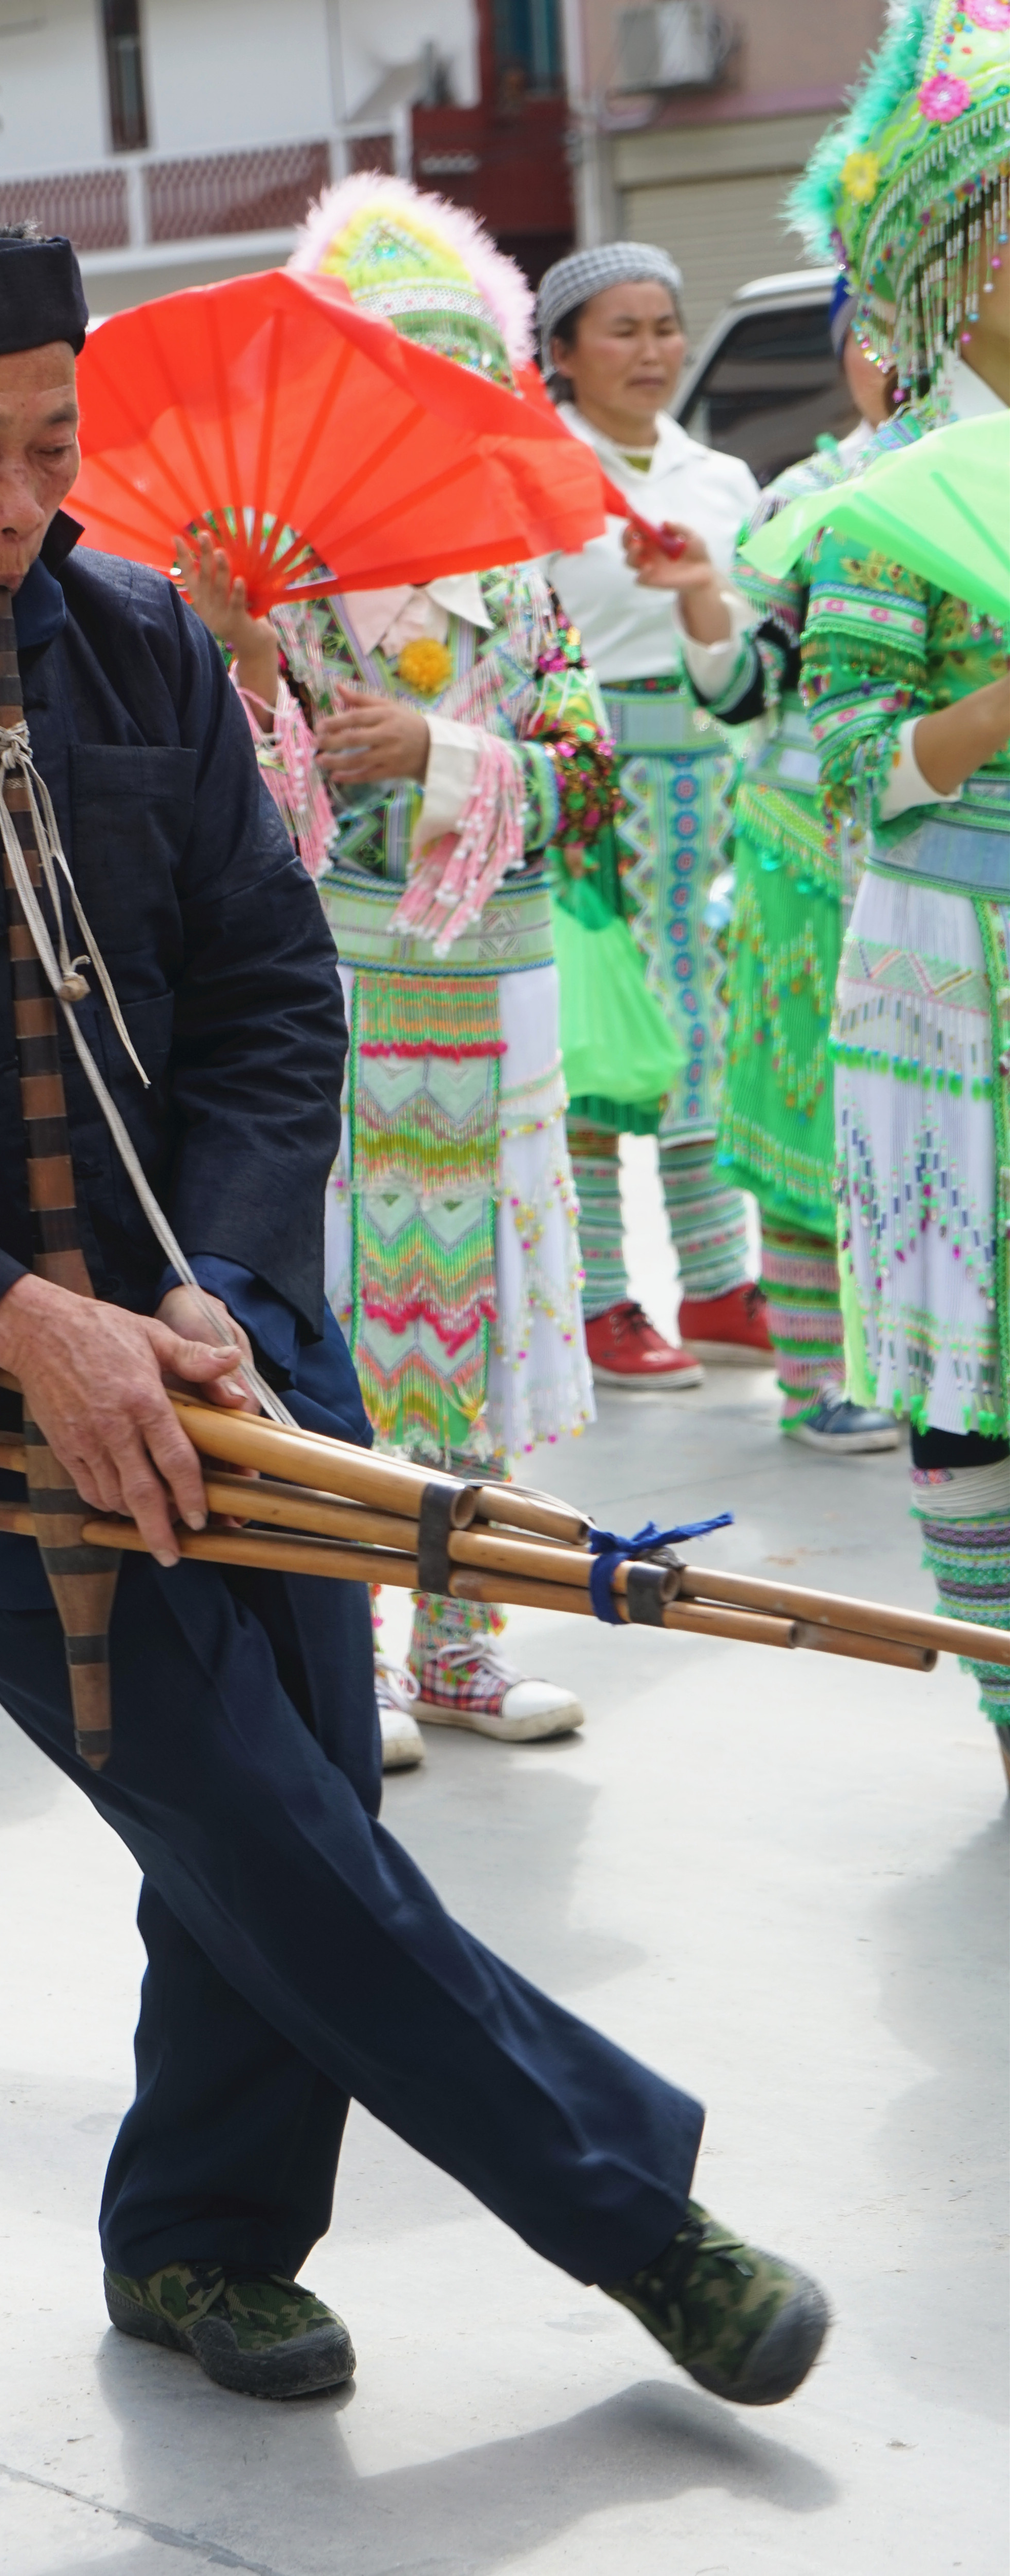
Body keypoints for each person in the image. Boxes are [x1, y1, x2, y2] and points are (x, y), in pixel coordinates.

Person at [0, 202, 829, 2409]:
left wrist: (223, 1287)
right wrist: (29, 1321)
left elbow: (269, 1000)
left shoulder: (138, 646)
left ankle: (191, 2240)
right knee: (244, 1802)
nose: (18, 499)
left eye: (47, 444)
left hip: (223, 1339)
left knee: (286, 1819)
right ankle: (639, 2217)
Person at [178, 176, 606, 1755]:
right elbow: (230, 818)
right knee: (345, 1307)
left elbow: (593, 779)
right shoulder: (280, 579)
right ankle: (345, 1629)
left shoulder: (525, 581)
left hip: (498, 988)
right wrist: (242, 663)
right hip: (339, 990)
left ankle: (465, 1635)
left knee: (482, 1310)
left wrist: (442, 744)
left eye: (455, 380)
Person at [793, 0, 1010, 1777]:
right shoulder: (877, 506)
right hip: (947, 948)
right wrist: (996, 706)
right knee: (969, 1348)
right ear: (959, 265)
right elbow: (842, 756)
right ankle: (1007, 1686)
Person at [623, 280, 902, 1453]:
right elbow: (744, 687)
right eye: (866, 335)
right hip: (806, 852)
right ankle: (811, 1378)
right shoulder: (811, 496)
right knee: (804, 1118)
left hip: (954, 855)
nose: (888, 357)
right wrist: (697, 596)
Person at [533, 246, 767, 1391]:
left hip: (702, 779)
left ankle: (720, 1282)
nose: (651, 351)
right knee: (596, 1034)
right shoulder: (535, 477)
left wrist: (698, 600)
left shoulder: (721, 479)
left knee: (702, 1023)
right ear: (562, 355)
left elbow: (737, 672)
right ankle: (596, 1299)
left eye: (665, 327)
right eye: (619, 331)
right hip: (582, 786)